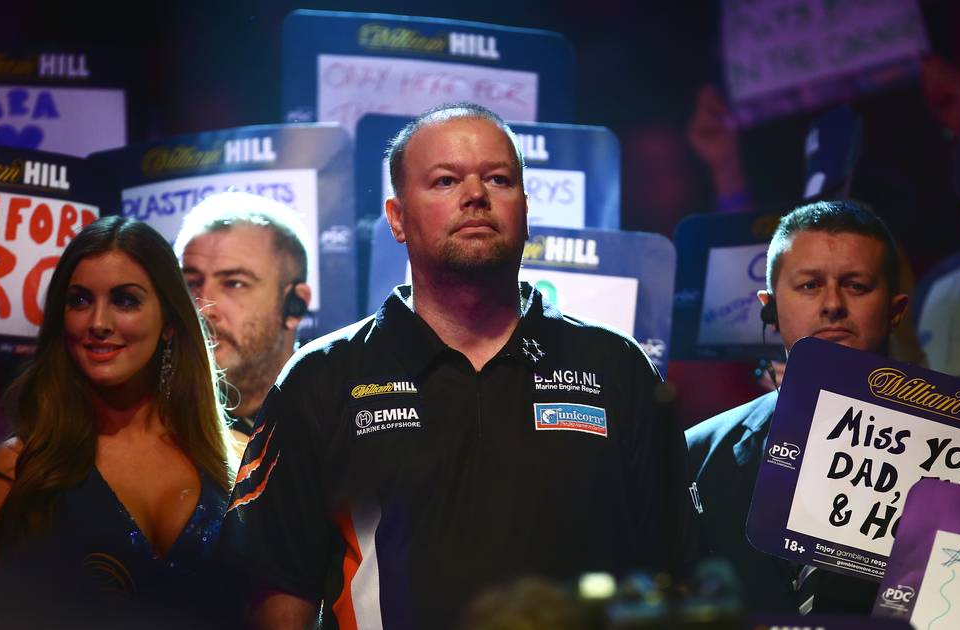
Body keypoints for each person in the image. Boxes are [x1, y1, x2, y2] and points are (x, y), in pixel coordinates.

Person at [221, 103, 690, 628]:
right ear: (397, 218)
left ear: (525, 208)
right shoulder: (322, 377)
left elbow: (675, 570)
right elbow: (280, 584)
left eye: (498, 179)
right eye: (445, 181)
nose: (475, 196)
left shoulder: (617, 368)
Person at [0, 216, 241, 624]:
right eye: (79, 301)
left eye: (125, 300)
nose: (98, 323)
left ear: (169, 323)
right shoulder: (18, 469)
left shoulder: (238, 459)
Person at [685, 200, 909, 614]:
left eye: (856, 285)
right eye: (809, 285)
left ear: (896, 310)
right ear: (769, 308)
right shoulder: (697, 453)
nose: (833, 304)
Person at [176, 192, 312, 430]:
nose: (202, 309)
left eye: (234, 283)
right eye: (191, 284)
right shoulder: (149, 425)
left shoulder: (338, 418)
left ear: (294, 306)